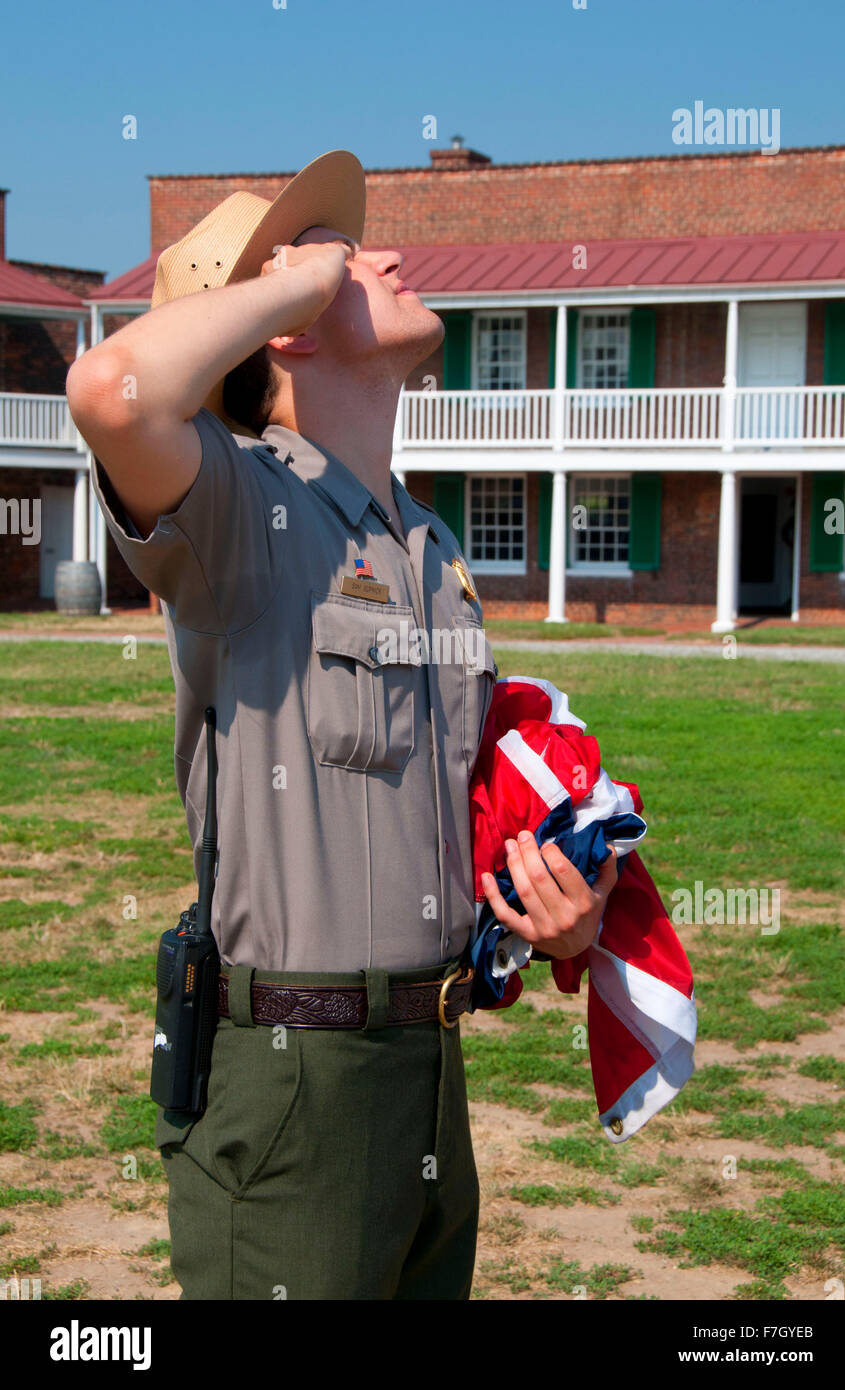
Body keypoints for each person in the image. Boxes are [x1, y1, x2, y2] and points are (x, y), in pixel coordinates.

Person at [66, 149, 619, 1301]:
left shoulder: (432, 550)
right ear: (289, 324)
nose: (384, 255)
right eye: (345, 252)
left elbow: (460, 822)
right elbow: (112, 391)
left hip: (427, 1069)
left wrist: (554, 917)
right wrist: (299, 279)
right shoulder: (240, 503)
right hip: (289, 1085)